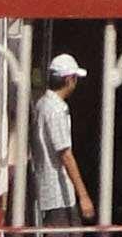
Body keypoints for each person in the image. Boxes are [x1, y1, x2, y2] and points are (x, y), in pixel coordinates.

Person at [31, 51, 90, 227]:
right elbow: (65, 153)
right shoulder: (55, 110)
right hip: (58, 194)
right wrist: (84, 195)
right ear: (69, 79)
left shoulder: (42, 104)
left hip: (53, 191)